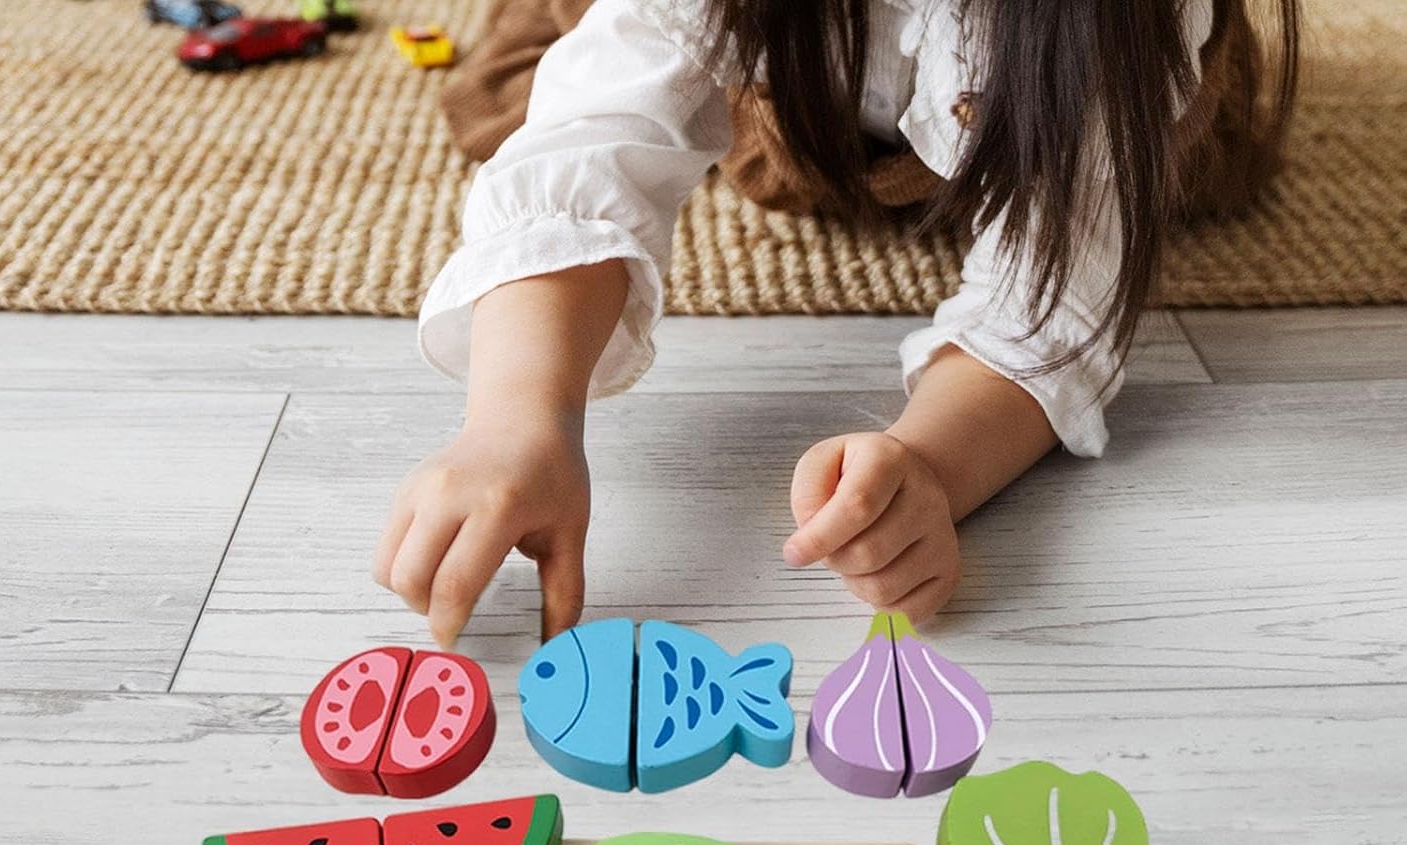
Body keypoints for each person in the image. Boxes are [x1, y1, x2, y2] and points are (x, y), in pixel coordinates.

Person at [374, 0, 1298, 644]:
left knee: (1203, 168)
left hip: (1076, 61)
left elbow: (1051, 308)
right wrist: (518, 417)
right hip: (801, 73)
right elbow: (590, 147)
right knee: (528, 84)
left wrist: (932, 464)